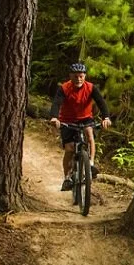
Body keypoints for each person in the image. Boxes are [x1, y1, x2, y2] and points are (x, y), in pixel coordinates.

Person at [48, 62, 112, 191]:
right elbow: (56, 103)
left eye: (81, 76)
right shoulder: (64, 88)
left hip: (86, 119)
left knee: (89, 135)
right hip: (67, 120)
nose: (78, 79)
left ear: (85, 76)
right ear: (70, 76)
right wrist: (54, 117)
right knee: (69, 149)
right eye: (75, 76)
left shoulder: (91, 88)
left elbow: (101, 102)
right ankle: (67, 177)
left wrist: (106, 117)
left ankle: (91, 165)